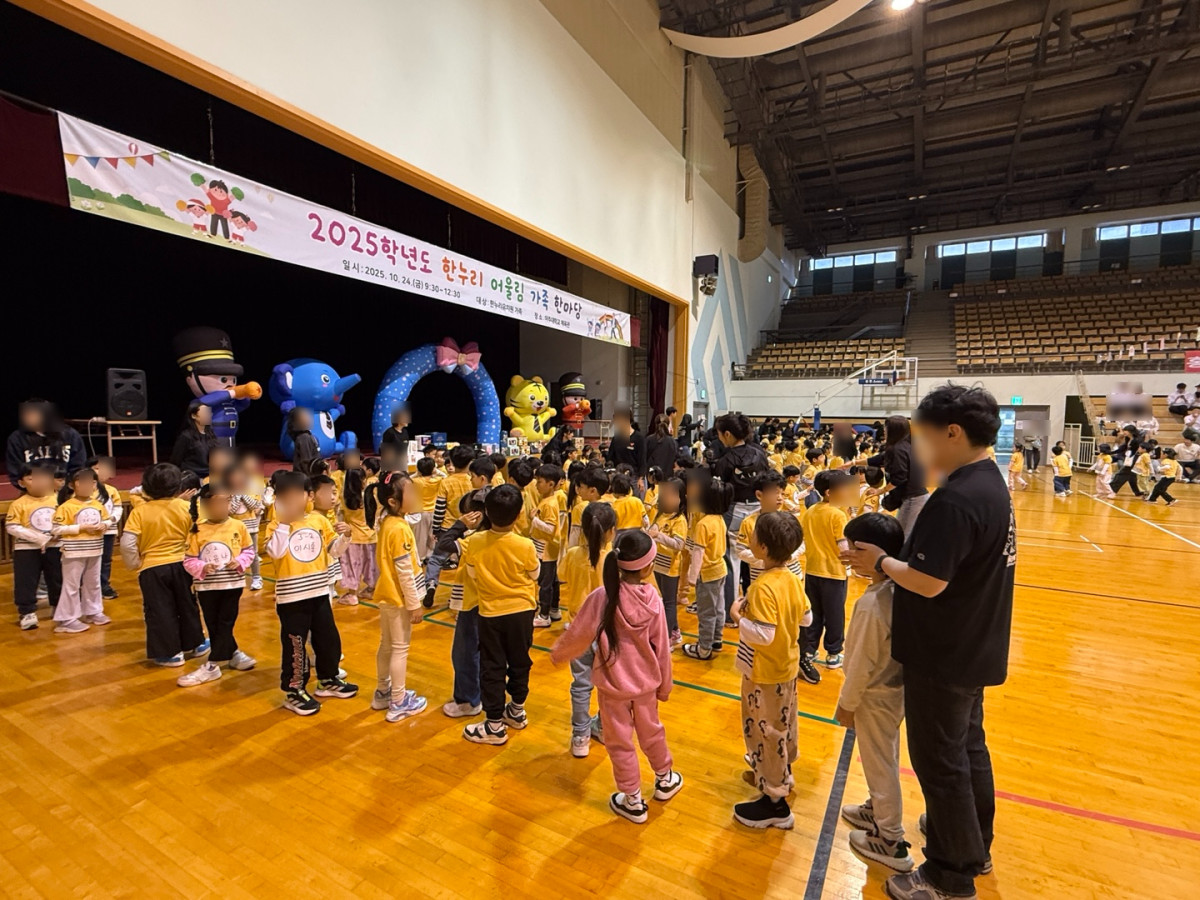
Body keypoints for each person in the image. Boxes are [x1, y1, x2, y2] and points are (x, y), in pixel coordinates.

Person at [844, 384, 1014, 900]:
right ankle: (972, 844)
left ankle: (949, 873)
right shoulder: (989, 484)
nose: (919, 446)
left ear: (953, 433)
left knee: (940, 761)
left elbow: (929, 580)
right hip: (974, 642)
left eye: (924, 435)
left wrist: (882, 564)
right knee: (966, 750)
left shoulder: (957, 499)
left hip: (944, 653)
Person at [549, 529, 682, 824]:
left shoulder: (602, 596)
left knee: (619, 743)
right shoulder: (655, 602)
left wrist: (558, 653)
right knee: (652, 733)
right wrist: (665, 686)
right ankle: (665, 778)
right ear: (648, 566)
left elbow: (579, 633)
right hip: (646, 685)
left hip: (611, 688)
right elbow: (662, 649)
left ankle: (632, 800)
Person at [836, 513, 913, 872]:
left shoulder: (871, 605)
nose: (849, 555)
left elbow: (860, 664)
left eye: (855, 549)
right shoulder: (897, 589)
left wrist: (846, 705)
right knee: (885, 756)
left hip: (874, 696)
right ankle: (877, 810)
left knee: (880, 763)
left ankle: (890, 838)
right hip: (892, 690)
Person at [729, 511, 810, 830]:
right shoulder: (792, 575)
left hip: (765, 671)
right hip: (786, 665)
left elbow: (763, 634)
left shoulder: (763, 586)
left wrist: (738, 615)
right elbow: (806, 619)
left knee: (766, 731)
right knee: (783, 722)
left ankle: (775, 802)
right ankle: (778, 774)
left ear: (761, 547)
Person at [263, 470, 357, 715]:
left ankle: (328, 678)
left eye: (298, 495)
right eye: (287, 497)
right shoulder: (275, 525)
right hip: (292, 598)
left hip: (319, 592)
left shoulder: (319, 521)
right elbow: (274, 552)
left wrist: (346, 536)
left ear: (309, 496)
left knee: (328, 638)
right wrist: (284, 523)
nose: (293, 501)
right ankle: (294, 691)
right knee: (295, 645)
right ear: (279, 500)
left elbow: (333, 551)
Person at [461, 485, 540, 746]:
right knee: (520, 661)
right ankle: (516, 711)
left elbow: (472, 574)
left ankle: (494, 725)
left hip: (491, 613)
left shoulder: (474, 541)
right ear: (519, 515)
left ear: (486, 513)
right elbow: (535, 575)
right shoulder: (525, 545)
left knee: (492, 666)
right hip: (522, 612)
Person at [121, 463, 210, 671]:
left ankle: (170, 653)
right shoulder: (186, 507)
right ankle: (196, 643)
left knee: (160, 610)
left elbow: (127, 543)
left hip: (153, 569)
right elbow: (200, 534)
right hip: (183, 565)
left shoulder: (140, 512)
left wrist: (134, 563)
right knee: (187, 604)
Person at [365, 472, 429, 722]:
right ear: (393, 501)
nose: (414, 497)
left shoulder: (387, 521)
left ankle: (383, 691)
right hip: (400, 597)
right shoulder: (399, 529)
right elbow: (404, 572)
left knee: (387, 645)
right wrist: (414, 605)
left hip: (387, 595)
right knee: (400, 649)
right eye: (409, 493)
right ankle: (399, 701)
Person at [181, 483, 256, 686]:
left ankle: (212, 664)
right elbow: (188, 560)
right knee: (213, 624)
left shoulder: (238, 526)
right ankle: (233, 653)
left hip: (232, 584)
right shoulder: (198, 530)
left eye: (226, 501)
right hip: (207, 587)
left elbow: (249, 551)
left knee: (225, 621)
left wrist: (239, 562)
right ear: (205, 505)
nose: (222, 506)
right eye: (217, 502)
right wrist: (203, 567)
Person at [558, 501, 616, 756]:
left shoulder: (572, 555)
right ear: (612, 531)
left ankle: (580, 736)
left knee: (581, 685)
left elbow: (561, 576)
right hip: (608, 629)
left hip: (578, 628)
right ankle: (602, 727)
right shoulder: (614, 558)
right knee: (608, 684)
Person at [712, 412, 770, 618]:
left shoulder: (725, 460)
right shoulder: (760, 454)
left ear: (727, 434)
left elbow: (718, 491)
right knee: (757, 557)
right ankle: (757, 605)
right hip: (759, 508)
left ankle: (731, 612)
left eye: (719, 434)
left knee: (732, 560)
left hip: (734, 510)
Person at [802, 470, 854, 673]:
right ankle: (833, 653)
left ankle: (809, 650)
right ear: (829, 492)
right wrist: (850, 564)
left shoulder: (811, 511)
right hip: (833, 573)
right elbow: (843, 546)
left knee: (813, 613)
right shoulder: (837, 514)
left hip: (813, 571)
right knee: (834, 615)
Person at [51, 467, 112, 634]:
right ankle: (67, 618)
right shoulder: (66, 506)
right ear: (72, 485)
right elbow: (56, 529)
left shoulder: (98, 504)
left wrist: (104, 525)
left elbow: (107, 521)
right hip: (74, 551)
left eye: (92, 482)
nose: (87, 485)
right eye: (82, 481)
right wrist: (80, 527)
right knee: (72, 584)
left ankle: (93, 611)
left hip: (95, 549)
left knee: (93, 582)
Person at [681, 475, 734, 661]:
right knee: (719, 607)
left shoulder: (703, 524)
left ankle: (704, 648)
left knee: (706, 613)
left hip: (707, 573)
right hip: (720, 569)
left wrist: (691, 577)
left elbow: (698, 553)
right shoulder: (718, 519)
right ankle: (716, 640)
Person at [7, 463, 62, 630]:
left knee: (57, 577)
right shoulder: (19, 503)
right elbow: (12, 526)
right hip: (27, 549)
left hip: (55, 545)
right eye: (31, 478)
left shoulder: (59, 499)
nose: (39, 482)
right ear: (22, 482)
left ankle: (59, 606)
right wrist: (38, 538)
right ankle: (27, 612)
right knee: (26, 580)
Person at [866, 416, 929, 537]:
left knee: (902, 536)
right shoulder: (908, 445)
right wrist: (854, 463)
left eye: (887, 427)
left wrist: (880, 491)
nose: (884, 430)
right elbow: (879, 459)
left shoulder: (897, 449)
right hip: (917, 496)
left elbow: (900, 477)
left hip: (913, 497)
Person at [6, 399, 85, 488]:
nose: (26, 418)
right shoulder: (17, 438)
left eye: (31, 414)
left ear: (46, 414)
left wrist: (67, 487)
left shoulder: (70, 435)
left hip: (66, 491)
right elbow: (15, 470)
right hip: (33, 493)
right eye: (25, 414)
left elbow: (79, 466)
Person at [648, 477, 688, 649]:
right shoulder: (661, 514)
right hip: (658, 564)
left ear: (681, 498)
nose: (667, 498)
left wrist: (659, 536)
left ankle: (666, 639)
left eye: (672, 495)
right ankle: (675, 631)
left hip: (670, 567)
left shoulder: (679, 520)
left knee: (669, 603)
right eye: (664, 494)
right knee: (664, 599)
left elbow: (679, 545)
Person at [531, 464, 564, 629]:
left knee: (545, 583)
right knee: (552, 580)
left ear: (551, 484)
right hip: (546, 548)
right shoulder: (546, 500)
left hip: (547, 550)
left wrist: (534, 520)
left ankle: (544, 615)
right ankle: (554, 609)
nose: (537, 484)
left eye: (540, 481)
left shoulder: (549, 504)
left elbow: (550, 529)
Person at [340, 467, 379, 605]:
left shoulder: (345, 498)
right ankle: (371, 589)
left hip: (353, 538)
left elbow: (340, 515)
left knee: (352, 566)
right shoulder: (370, 496)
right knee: (371, 566)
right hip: (371, 536)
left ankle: (352, 595)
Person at [88, 456, 122, 601]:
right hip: (87, 532)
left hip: (108, 530)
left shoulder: (112, 490)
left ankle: (104, 585)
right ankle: (87, 587)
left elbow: (118, 508)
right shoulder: (84, 488)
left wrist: (109, 522)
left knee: (106, 559)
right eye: (96, 468)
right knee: (89, 560)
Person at [170, 400, 218, 478]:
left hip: (209, 474)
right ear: (194, 416)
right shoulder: (186, 436)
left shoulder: (210, 433)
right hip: (193, 475)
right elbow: (175, 461)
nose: (208, 415)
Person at [606, 404, 647, 483]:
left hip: (634, 478)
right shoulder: (616, 438)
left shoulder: (639, 438)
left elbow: (642, 460)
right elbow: (610, 458)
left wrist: (641, 478)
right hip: (618, 477)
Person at [286, 408, 322, 477]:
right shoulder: (304, 438)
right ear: (296, 422)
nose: (309, 418)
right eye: (305, 416)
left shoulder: (307, 436)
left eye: (308, 415)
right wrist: (312, 479)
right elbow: (306, 462)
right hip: (305, 478)